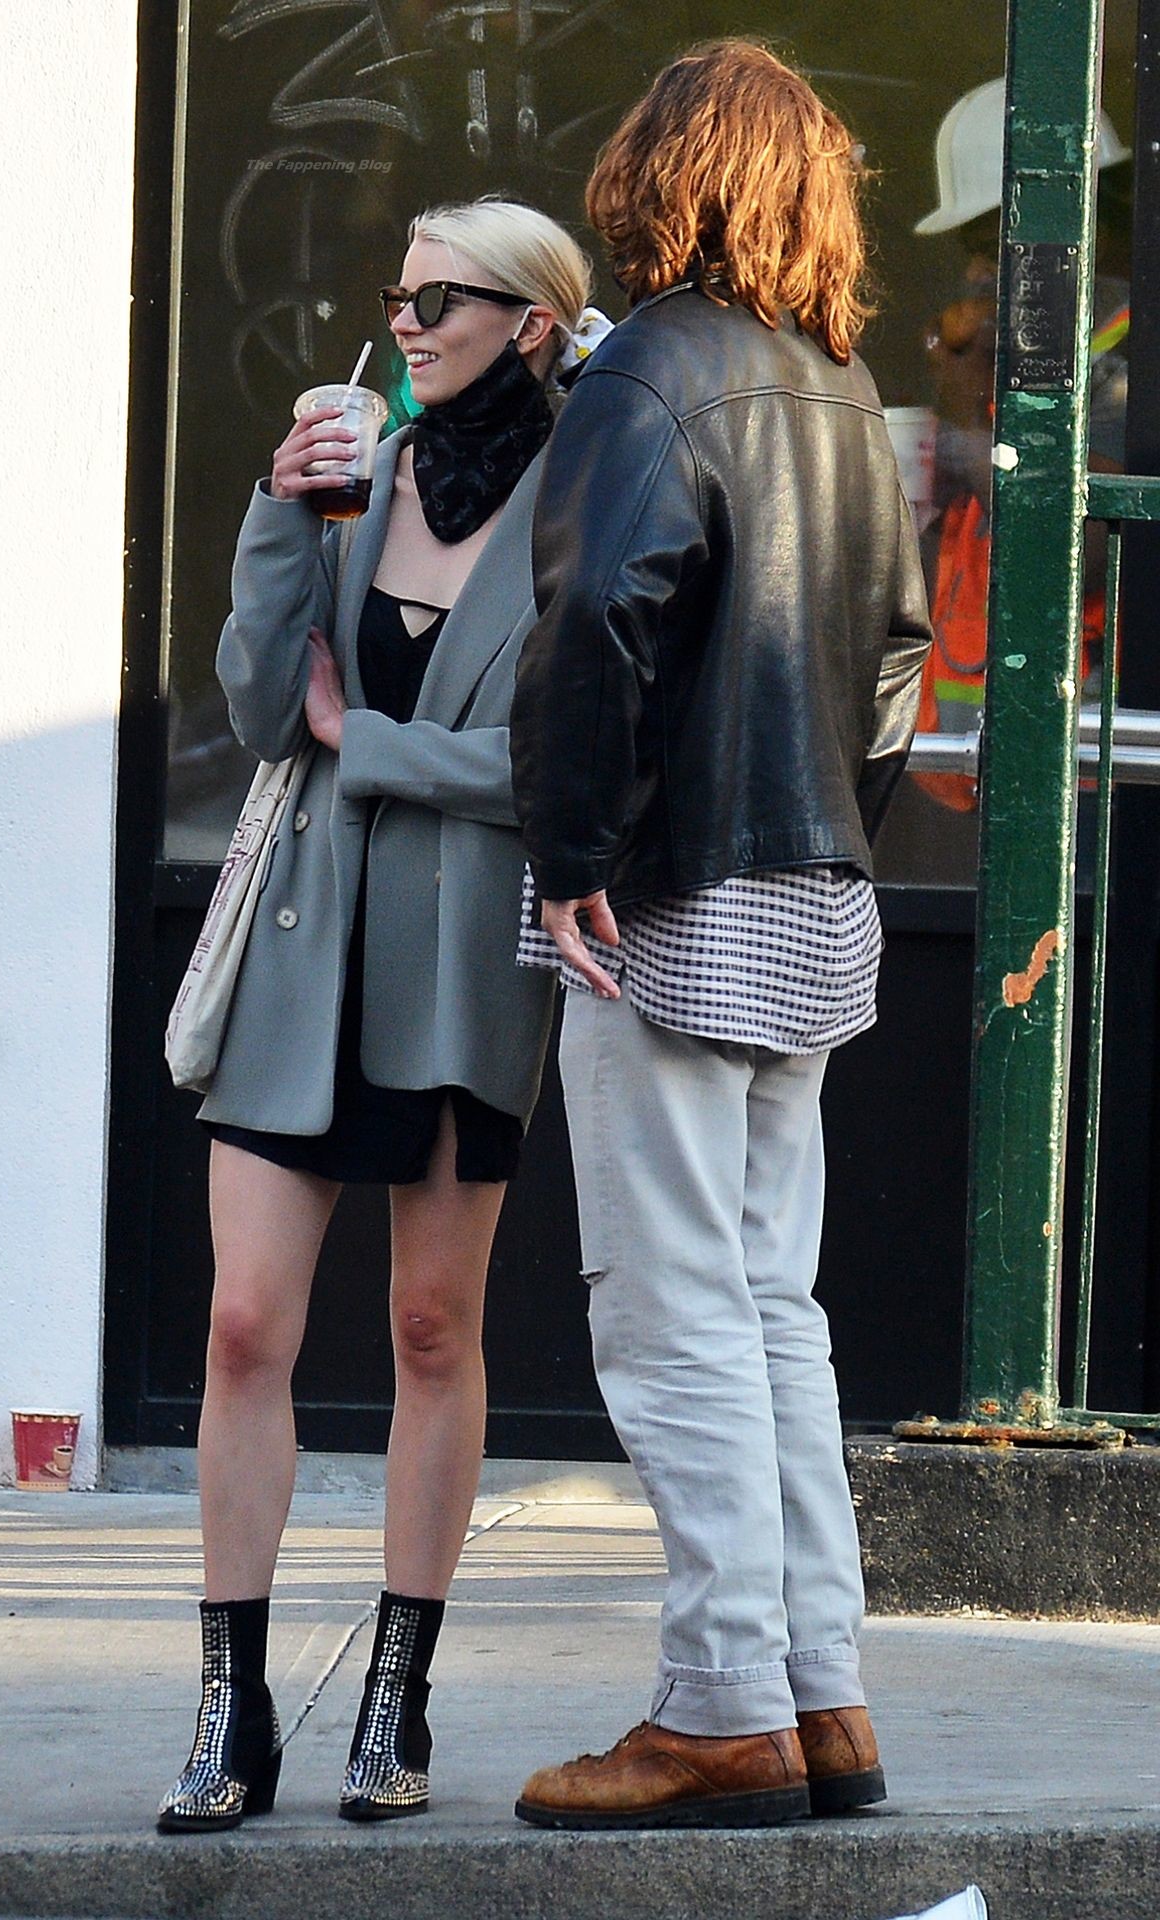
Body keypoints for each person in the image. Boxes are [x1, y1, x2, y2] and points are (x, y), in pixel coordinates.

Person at [509, 40, 933, 1830]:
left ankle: (719, 1713)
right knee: (772, 1310)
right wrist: (832, 829)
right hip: (810, 890)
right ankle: (819, 1698)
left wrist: (572, 849)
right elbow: (900, 659)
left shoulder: (644, 374)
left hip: (664, 894)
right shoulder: (844, 386)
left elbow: (597, 617)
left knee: (673, 1310)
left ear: (655, 176)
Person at [156, 197, 592, 1832]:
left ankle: (395, 1699)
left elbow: (561, 766)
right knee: (242, 1328)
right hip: (301, 948)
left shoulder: (582, 506)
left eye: (440, 300)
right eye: (397, 297)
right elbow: (270, 709)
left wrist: (375, 747)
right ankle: (232, 1711)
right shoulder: (359, 473)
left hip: (463, 966)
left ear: (531, 323)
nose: (405, 323)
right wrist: (279, 515)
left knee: (429, 1330)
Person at [912, 77, 1130, 812]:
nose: (978, 274)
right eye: (972, 251)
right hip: (992, 773)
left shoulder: (1128, 352)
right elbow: (955, 520)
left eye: (991, 244)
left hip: (1092, 784)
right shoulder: (1026, 355)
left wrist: (962, 436)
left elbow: (1079, 542)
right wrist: (962, 387)